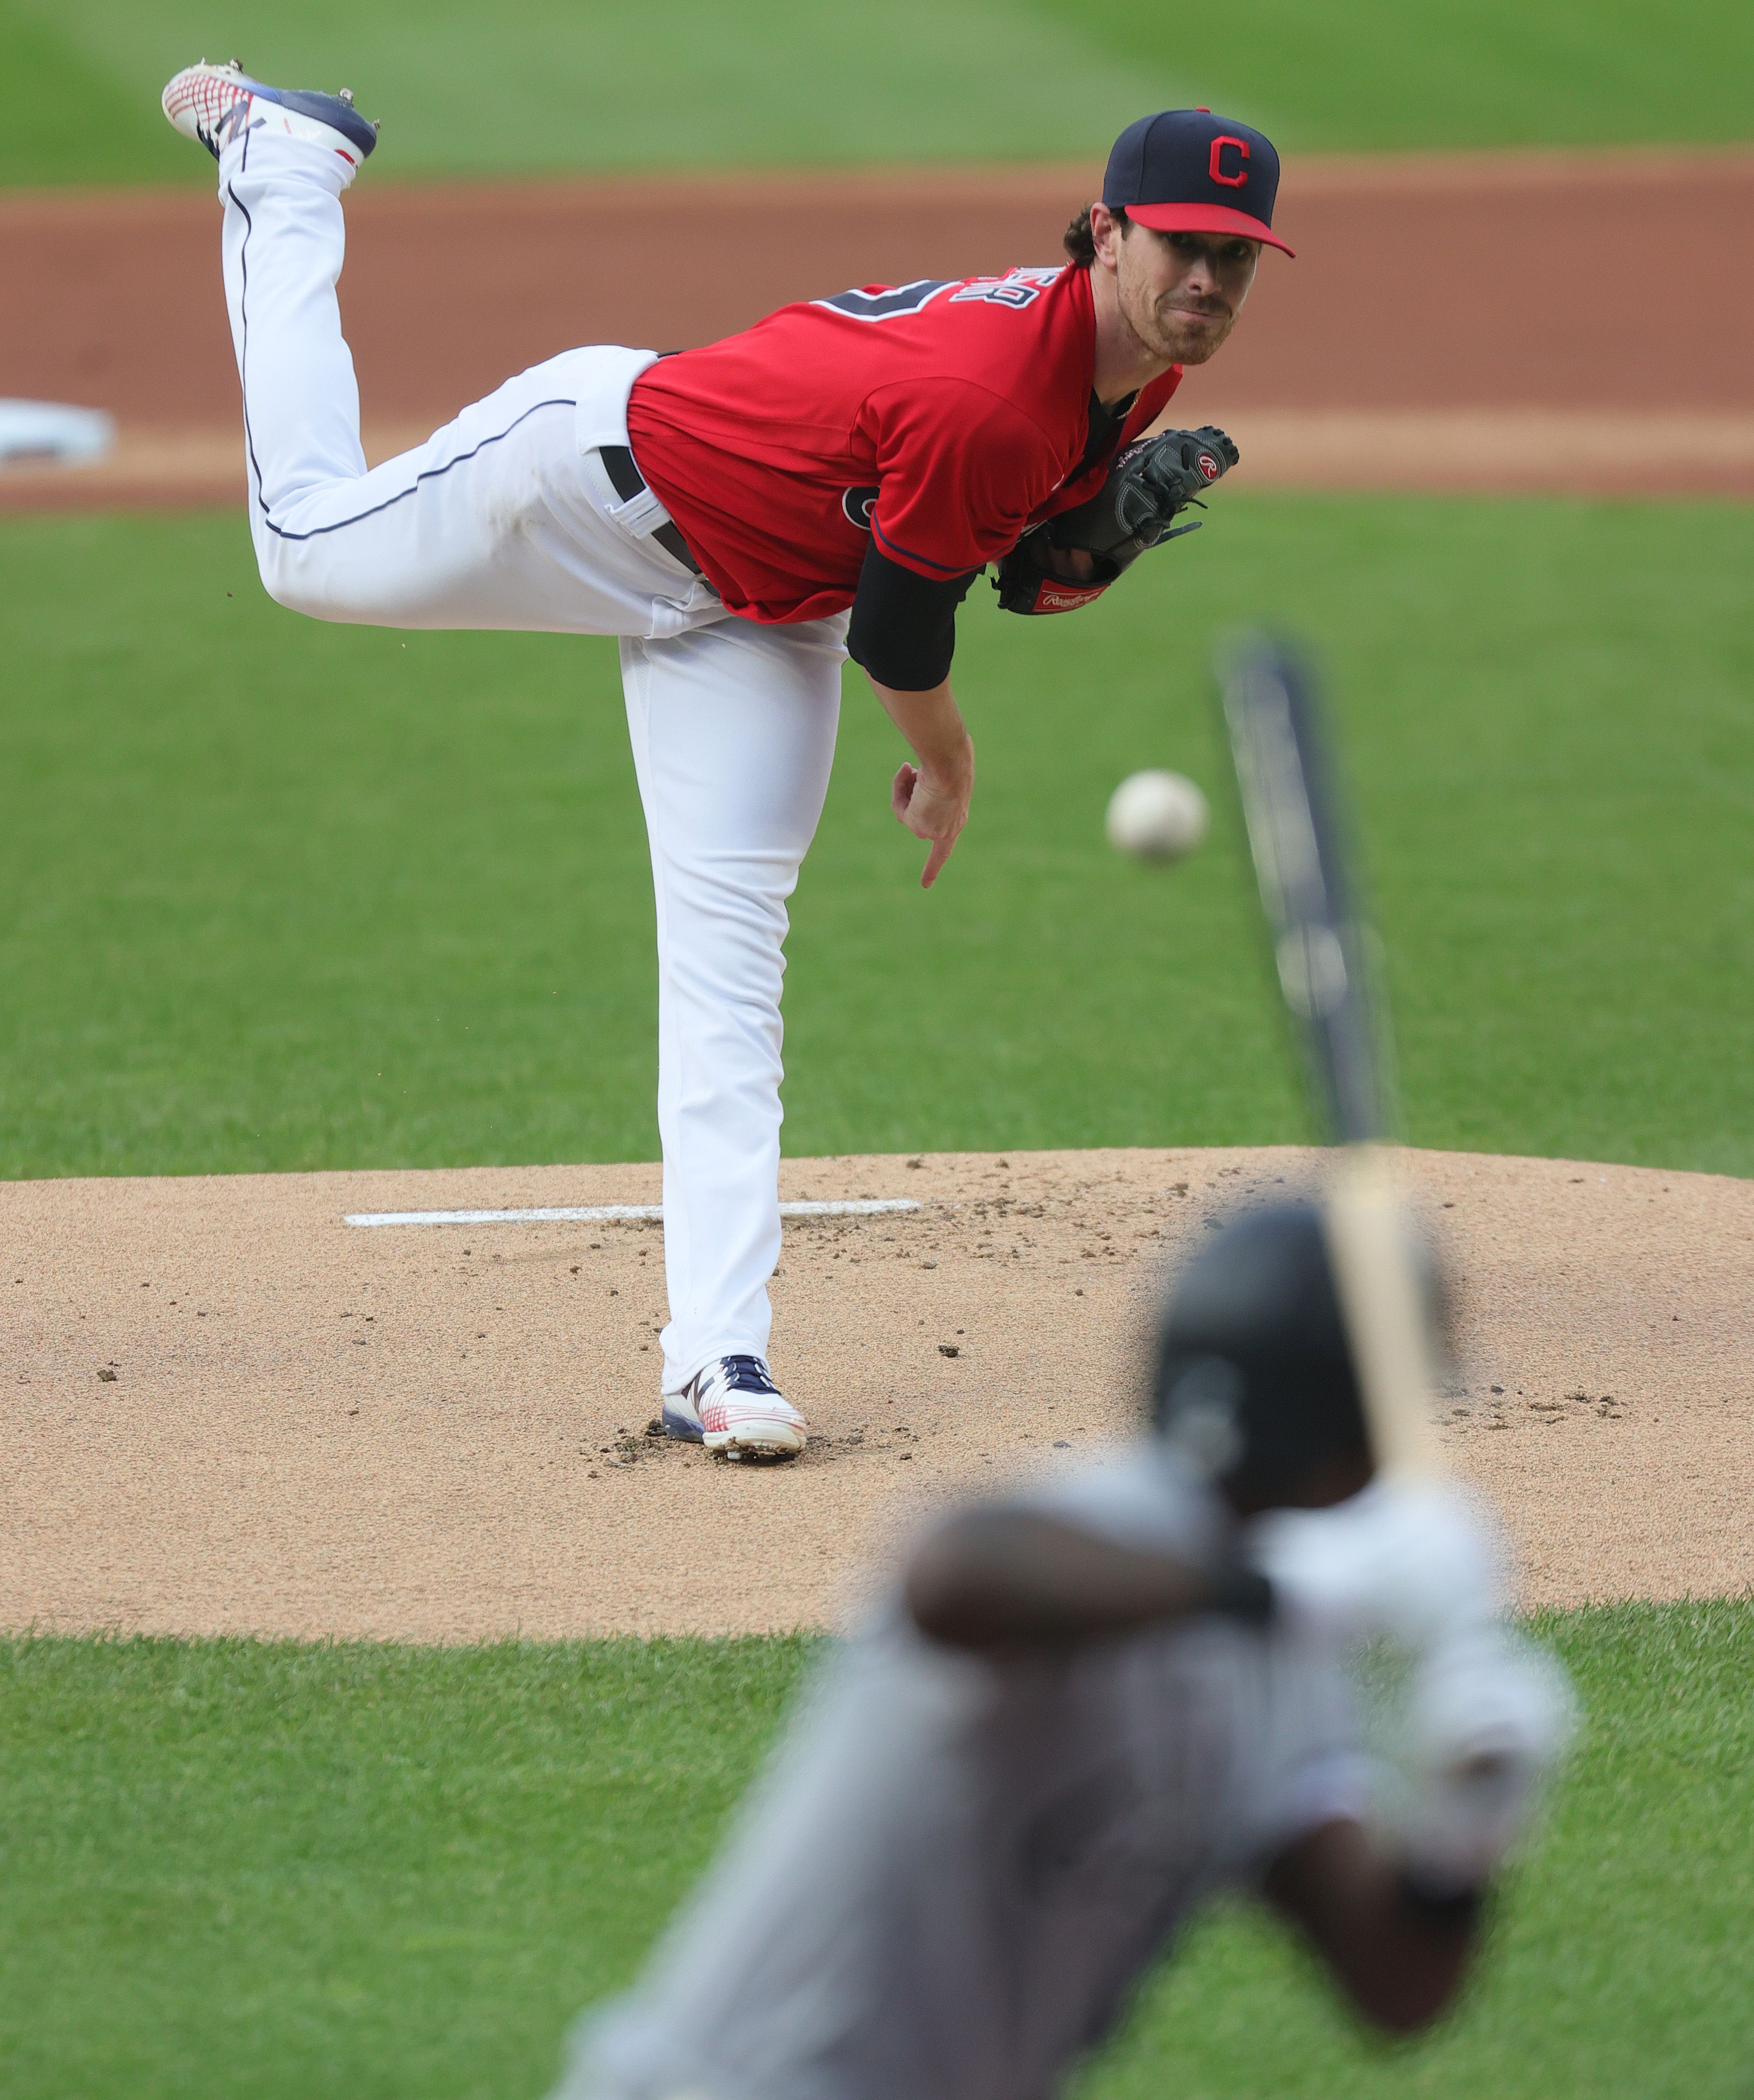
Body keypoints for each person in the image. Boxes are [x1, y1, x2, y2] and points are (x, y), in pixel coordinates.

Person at [160, 67, 1288, 1459]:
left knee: (731, 963)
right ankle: (286, 168)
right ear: (1107, 234)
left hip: (758, 612)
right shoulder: (995, 390)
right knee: (307, 551)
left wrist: (1084, 552)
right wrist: (949, 763)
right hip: (589, 481)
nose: (1211, 278)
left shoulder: (1129, 372)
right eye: (1186, 245)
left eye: (1237, 257)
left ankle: (717, 1358)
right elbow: (902, 626)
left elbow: (1008, 568)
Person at [556, 1202, 1575, 2100]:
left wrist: (1463, 1831)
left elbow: (1388, 1989)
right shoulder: (1094, 1530)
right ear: (1338, 1430)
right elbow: (952, 1579)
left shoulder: (1281, 1663)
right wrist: (1277, 1589)